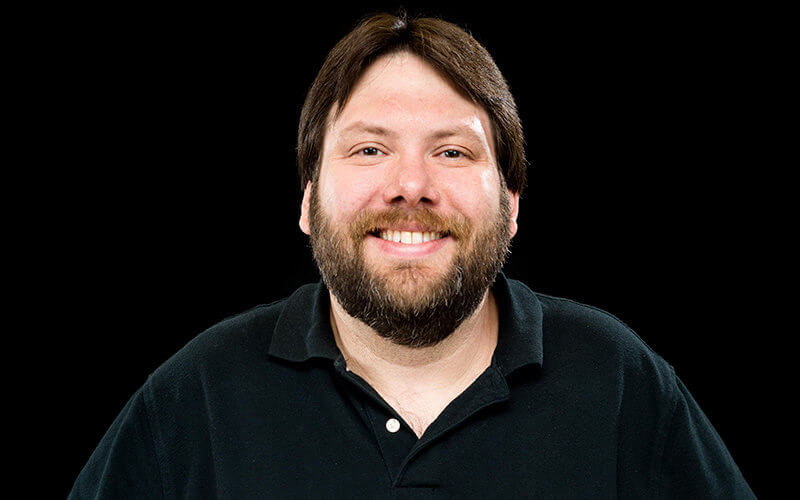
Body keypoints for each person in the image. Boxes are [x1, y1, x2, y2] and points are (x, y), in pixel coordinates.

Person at [70, 12, 754, 498]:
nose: (410, 185)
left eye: (452, 151)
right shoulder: (196, 397)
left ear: (512, 205)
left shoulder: (620, 382)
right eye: (370, 148)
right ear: (307, 202)